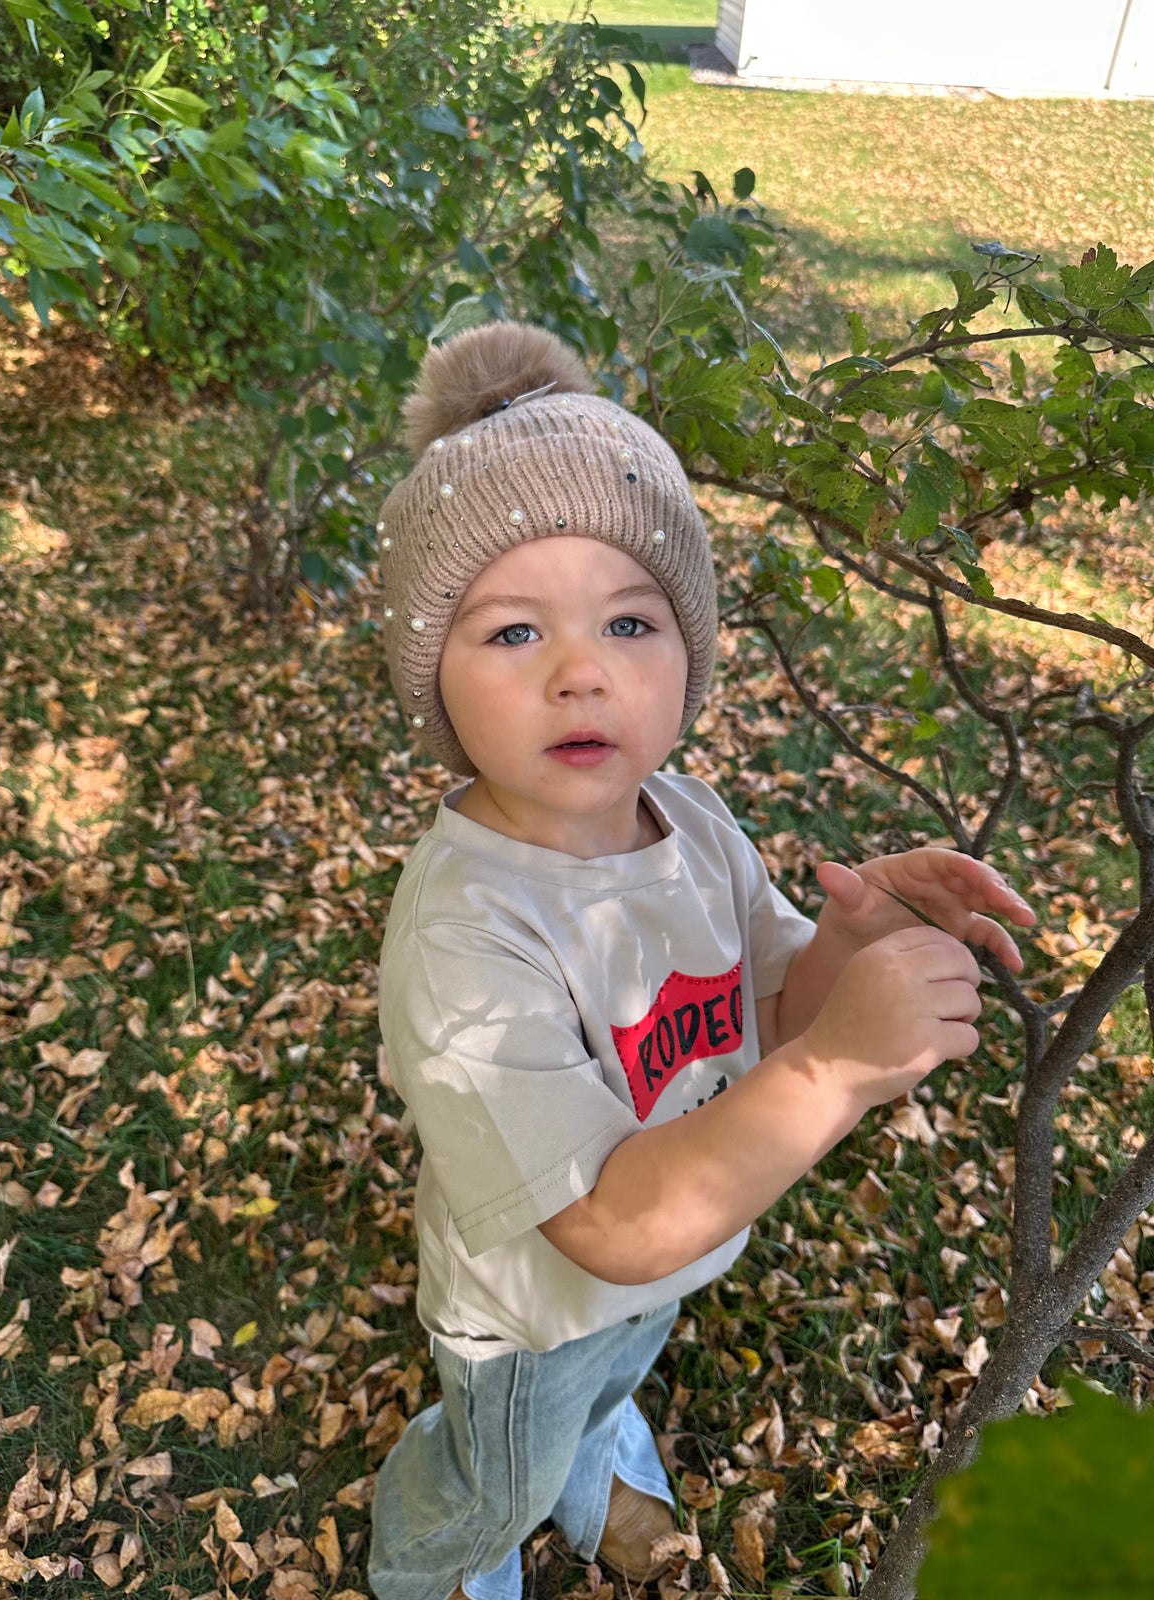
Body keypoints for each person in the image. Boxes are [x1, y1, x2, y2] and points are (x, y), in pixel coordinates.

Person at [365, 322, 1034, 1600]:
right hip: (527, 1318)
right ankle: (442, 1555)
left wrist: (851, 932)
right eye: (512, 634)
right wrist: (837, 1073)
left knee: (621, 1367)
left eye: (630, 620)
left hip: (663, 1268)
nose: (580, 672)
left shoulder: (694, 822)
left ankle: (596, 1454)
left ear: (690, 656)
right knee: (496, 1465)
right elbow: (611, 1223)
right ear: (432, 683)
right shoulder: (467, 932)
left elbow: (768, 1008)